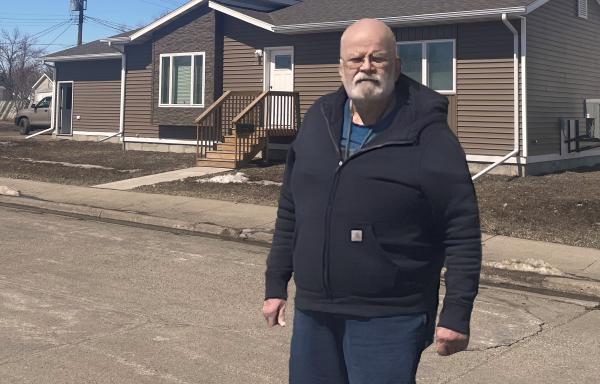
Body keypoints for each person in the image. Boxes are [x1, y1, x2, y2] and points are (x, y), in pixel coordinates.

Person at [263, 18, 482, 384]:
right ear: (341, 68)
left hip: (390, 316)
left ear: (396, 67)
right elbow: (291, 208)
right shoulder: (318, 119)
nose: (366, 67)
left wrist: (456, 314)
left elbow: (461, 228)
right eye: (355, 59)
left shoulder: (429, 137)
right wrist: (275, 285)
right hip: (315, 310)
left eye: (377, 58)